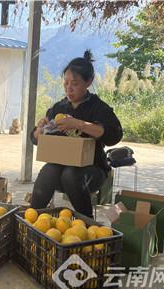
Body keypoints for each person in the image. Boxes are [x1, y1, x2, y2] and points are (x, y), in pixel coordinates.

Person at [30, 49, 123, 218]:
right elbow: (36, 139)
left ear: (88, 82)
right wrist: (39, 131)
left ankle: (87, 225)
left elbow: (114, 135)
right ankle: (31, 219)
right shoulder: (58, 108)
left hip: (92, 171)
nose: (69, 88)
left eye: (75, 83)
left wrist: (78, 124)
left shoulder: (98, 107)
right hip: (60, 169)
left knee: (71, 174)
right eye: (65, 83)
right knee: (49, 170)